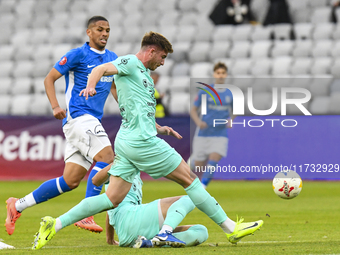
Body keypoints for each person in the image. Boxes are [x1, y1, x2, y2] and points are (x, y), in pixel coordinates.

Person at [32, 31, 263, 250]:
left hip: (129, 140)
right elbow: (100, 68)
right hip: (141, 142)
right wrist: (91, 85)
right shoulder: (131, 62)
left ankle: (55, 223)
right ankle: (230, 228)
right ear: (151, 51)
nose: (162, 62)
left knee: (111, 198)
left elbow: (140, 110)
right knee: (191, 180)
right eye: (162, 57)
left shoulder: (146, 77)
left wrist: (159, 127)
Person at [5, 16, 118, 235]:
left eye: (107, 30)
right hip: (79, 117)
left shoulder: (112, 58)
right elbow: (49, 79)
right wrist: (56, 106)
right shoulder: (78, 55)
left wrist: (124, 106)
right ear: (89, 32)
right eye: (99, 29)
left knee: (70, 181)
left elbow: (114, 88)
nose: (104, 34)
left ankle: (17, 205)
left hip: (90, 121)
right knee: (107, 159)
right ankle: (87, 214)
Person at [92, 164, 208, 248]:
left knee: (201, 230)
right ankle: (164, 234)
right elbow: (95, 180)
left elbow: (111, 204)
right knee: (190, 198)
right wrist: (118, 161)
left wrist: (110, 238)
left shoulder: (136, 172)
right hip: (131, 218)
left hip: (129, 236)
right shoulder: (117, 167)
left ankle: (151, 243)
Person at [190, 62, 235, 189]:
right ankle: (191, 162)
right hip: (203, 133)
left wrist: (231, 119)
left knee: (214, 159)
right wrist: (199, 122)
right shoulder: (205, 91)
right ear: (214, 74)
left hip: (220, 134)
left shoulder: (230, 93)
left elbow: (237, 110)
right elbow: (193, 110)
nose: (220, 75)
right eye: (218, 73)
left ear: (226, 75)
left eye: (223, 73)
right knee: (198, 163)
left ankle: (203, 187)